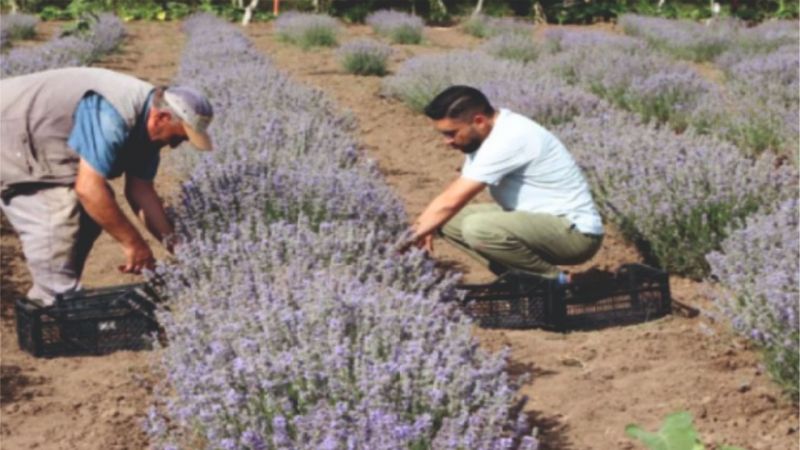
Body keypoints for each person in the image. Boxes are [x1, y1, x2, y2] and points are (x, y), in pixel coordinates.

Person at [1, 67, 214, 305]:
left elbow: (141, 191)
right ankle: (52, 305)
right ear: (162, 118)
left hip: (39, 142)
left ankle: (63, 294)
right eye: (177, 137)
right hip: (11, 133)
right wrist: (134, 244)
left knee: (95, 211)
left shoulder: (148, 127)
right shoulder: (113, 113)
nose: (174, 146)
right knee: (58, 210)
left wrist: (180, 250)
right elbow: (88, 189)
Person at [408, 85, 603, 282]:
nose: (446, 141)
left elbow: (451, 201)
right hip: (537, 218)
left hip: (575, 233)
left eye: (451, 133)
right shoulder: (487, 134)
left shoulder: (510, 138)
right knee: (447, 221)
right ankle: (518, 279)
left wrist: (406, 240)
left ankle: (557, 281)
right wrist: (426, 226)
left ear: (479, 121)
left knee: (477, 228)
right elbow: (450, 201)